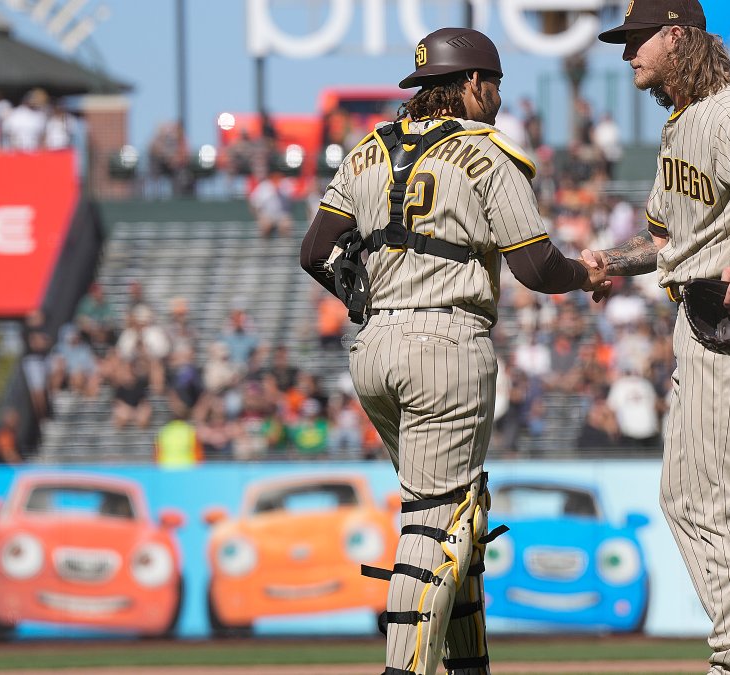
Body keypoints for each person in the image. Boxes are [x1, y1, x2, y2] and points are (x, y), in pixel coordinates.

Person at [299, 27, 607, 675]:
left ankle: (469, 666)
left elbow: (313, 251)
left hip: (376, 345)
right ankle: (401, 669)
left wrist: (361, 292)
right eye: (491, 85)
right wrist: (586, 274)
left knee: (459, 509)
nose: (496, 98)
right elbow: (535, 267)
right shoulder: (486, 152)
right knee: (436, 520)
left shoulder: (368, 149)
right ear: (471, 84)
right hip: (446, 342)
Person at [587, 3, 730, 673]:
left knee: (720, 499)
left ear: (678, 34)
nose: (628, 56)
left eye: (636, 41)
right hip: (693, 317)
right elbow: (666, 241)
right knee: (680, 499)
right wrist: (608, 265)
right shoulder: (680, 125)